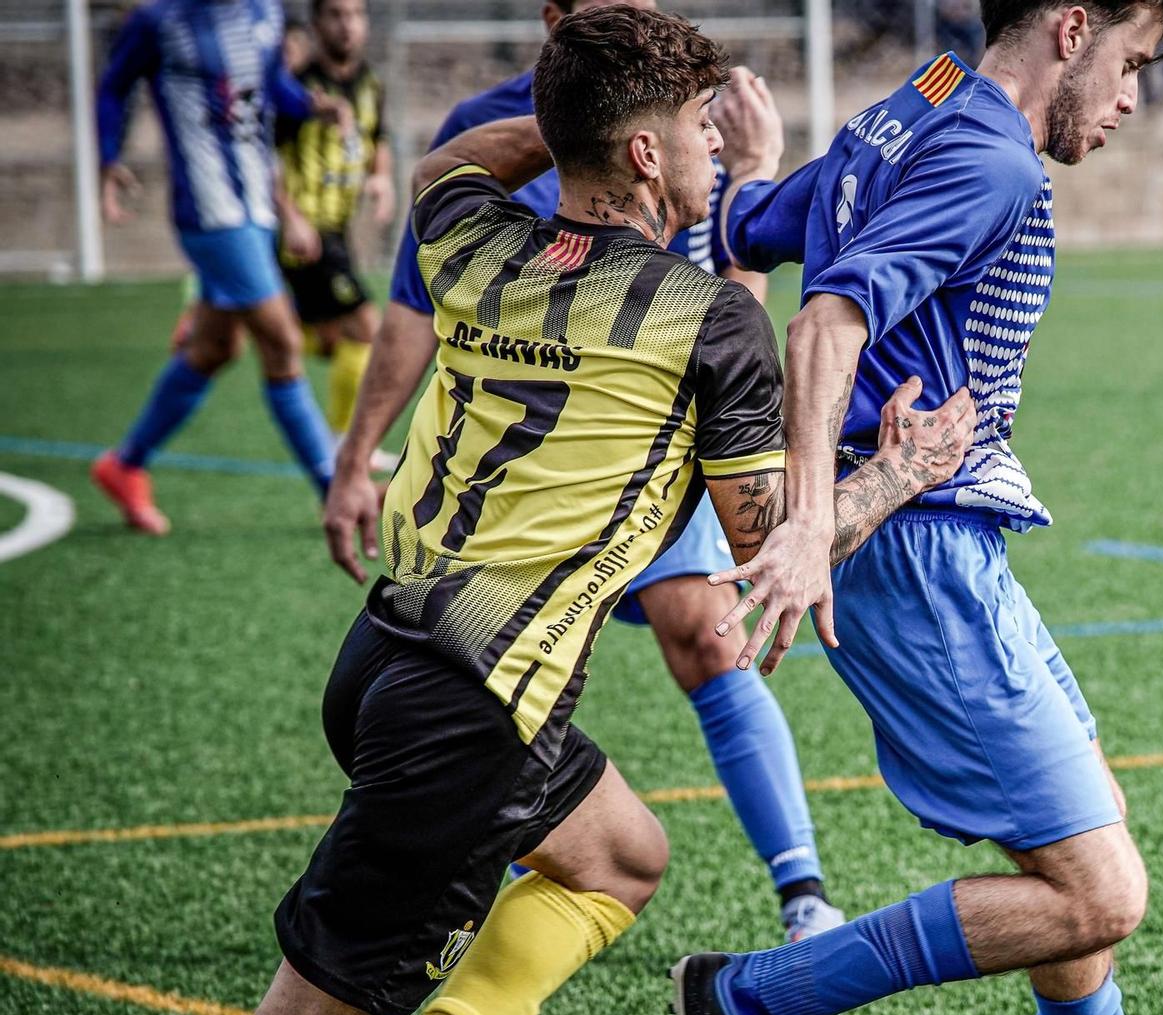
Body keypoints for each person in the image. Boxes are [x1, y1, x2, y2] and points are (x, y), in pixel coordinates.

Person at [0, 6, 972, 1015]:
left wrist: (573, 114)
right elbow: (764, 547)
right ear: (638, 155)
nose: (713, 148)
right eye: (691, 129)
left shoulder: (466, 236)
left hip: (385, 657)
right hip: (478, 709)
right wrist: (900, 474)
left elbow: (441, 170)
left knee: (619, 855)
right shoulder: (708, 319)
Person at [671, 0, 1163, 1015]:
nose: (1131, 97)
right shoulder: (987, 159)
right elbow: (829, 316)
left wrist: (748, 184)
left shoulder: (910, 107)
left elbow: (757, 224)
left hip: (941, 540)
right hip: (915, 553)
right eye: (1130, 63)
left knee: (1075, 841)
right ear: (1071, 26)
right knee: (1097, 892)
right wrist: (817, 521)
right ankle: (746, 997)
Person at [326, 0, 842, 945]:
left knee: (693, 663)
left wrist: (623, 120)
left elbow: (435, 185)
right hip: (556, 500)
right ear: (560, 18)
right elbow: (407, 307)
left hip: (649, 448)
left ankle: (800, 884)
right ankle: (446, 989)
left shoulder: (526, 155)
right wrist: (355, 455)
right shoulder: (539, 129)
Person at [91, 0, 351, 536]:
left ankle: (125, 464)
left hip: (255, 201)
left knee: (214, 348)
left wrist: (309, 105)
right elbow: (114, 87)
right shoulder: (159, 21)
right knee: (281, 340)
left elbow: (267, 86)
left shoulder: (265, 13)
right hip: (209, 209)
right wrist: (109, 158)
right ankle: (337, 490)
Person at [274, 0, 393, 436]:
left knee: (327, 340)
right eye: (337, 15)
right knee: (364, 327)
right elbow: (265, 158)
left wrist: (382, 180)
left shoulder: (370, 84)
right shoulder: (295, 88)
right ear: (317, 23)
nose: (348, 26)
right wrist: (289, 216)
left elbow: (377, 137)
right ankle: (345, 441)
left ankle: (248, 319)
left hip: (336, 229)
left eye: (357, 14)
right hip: (305, 229)